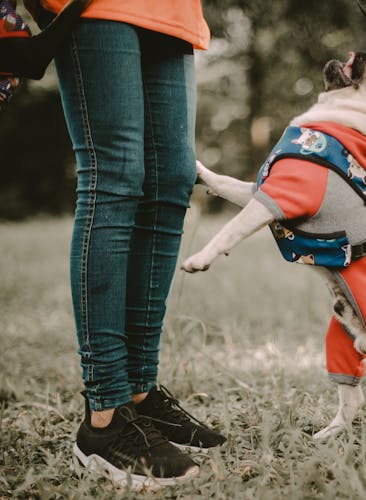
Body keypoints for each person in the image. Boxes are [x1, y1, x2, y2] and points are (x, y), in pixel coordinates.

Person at [29, 0, 225, 489]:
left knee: (173, 178)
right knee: (115, 173)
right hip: (97, 6)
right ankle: (105, 416)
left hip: (172, 11)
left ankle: (139, 393)